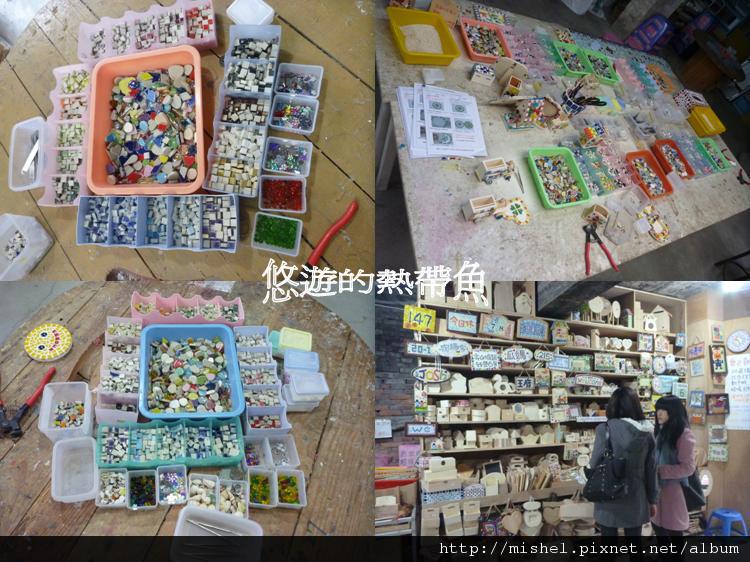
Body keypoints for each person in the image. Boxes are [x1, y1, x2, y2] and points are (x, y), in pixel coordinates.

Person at [590, 386, 658, 537]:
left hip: (608, 493)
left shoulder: (604, 429)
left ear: (612, 406)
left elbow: (594, 463)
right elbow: (651, 470)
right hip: (636, 496)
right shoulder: (646, 432)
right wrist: (653, 500)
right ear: (635, 406)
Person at [652, 395, 696, 536]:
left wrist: (660, 471)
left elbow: (688, 467)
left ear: (674, 411)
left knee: (673, 530)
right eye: (657, 409)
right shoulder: (661, 431)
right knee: (658, 528)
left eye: (663, 410)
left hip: (674, 490)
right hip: (657, 489)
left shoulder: (684, 434)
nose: (659, 413)